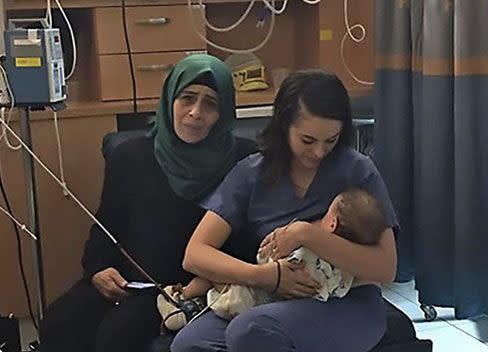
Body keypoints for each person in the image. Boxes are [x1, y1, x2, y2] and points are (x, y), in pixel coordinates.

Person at [38, 54, 257, 352]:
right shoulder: (129, 157)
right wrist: (99, 269)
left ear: (224, 112)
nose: (195, 112)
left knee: (117, 336)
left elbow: (247, 244)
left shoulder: (244, 162)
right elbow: (105, 227)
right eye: (187, 98)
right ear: (169, 100)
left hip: (190, 288)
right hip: (127, 282)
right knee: (60, 320)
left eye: (210, 104)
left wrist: (195, 286)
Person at [171, 69, 400, 352]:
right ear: (283, 126)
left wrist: (305, 234)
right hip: (272, 297)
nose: (318, 152)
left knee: (251, 330)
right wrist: (266, 276)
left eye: (330, 141)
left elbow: (386, 267)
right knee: (190, 344)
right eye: (307, 140)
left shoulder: (357, 171)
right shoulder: (251, 174)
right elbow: (195, 255)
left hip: (347, 302)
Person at [205, 188, 389, 320]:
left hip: (252, 298)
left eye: (326, 212)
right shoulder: (345, 275)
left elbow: (266, 259)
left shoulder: (306, 252)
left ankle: (186, 297)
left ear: (331, 223)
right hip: (289, 309)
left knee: (213, 274)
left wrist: (278, 239)